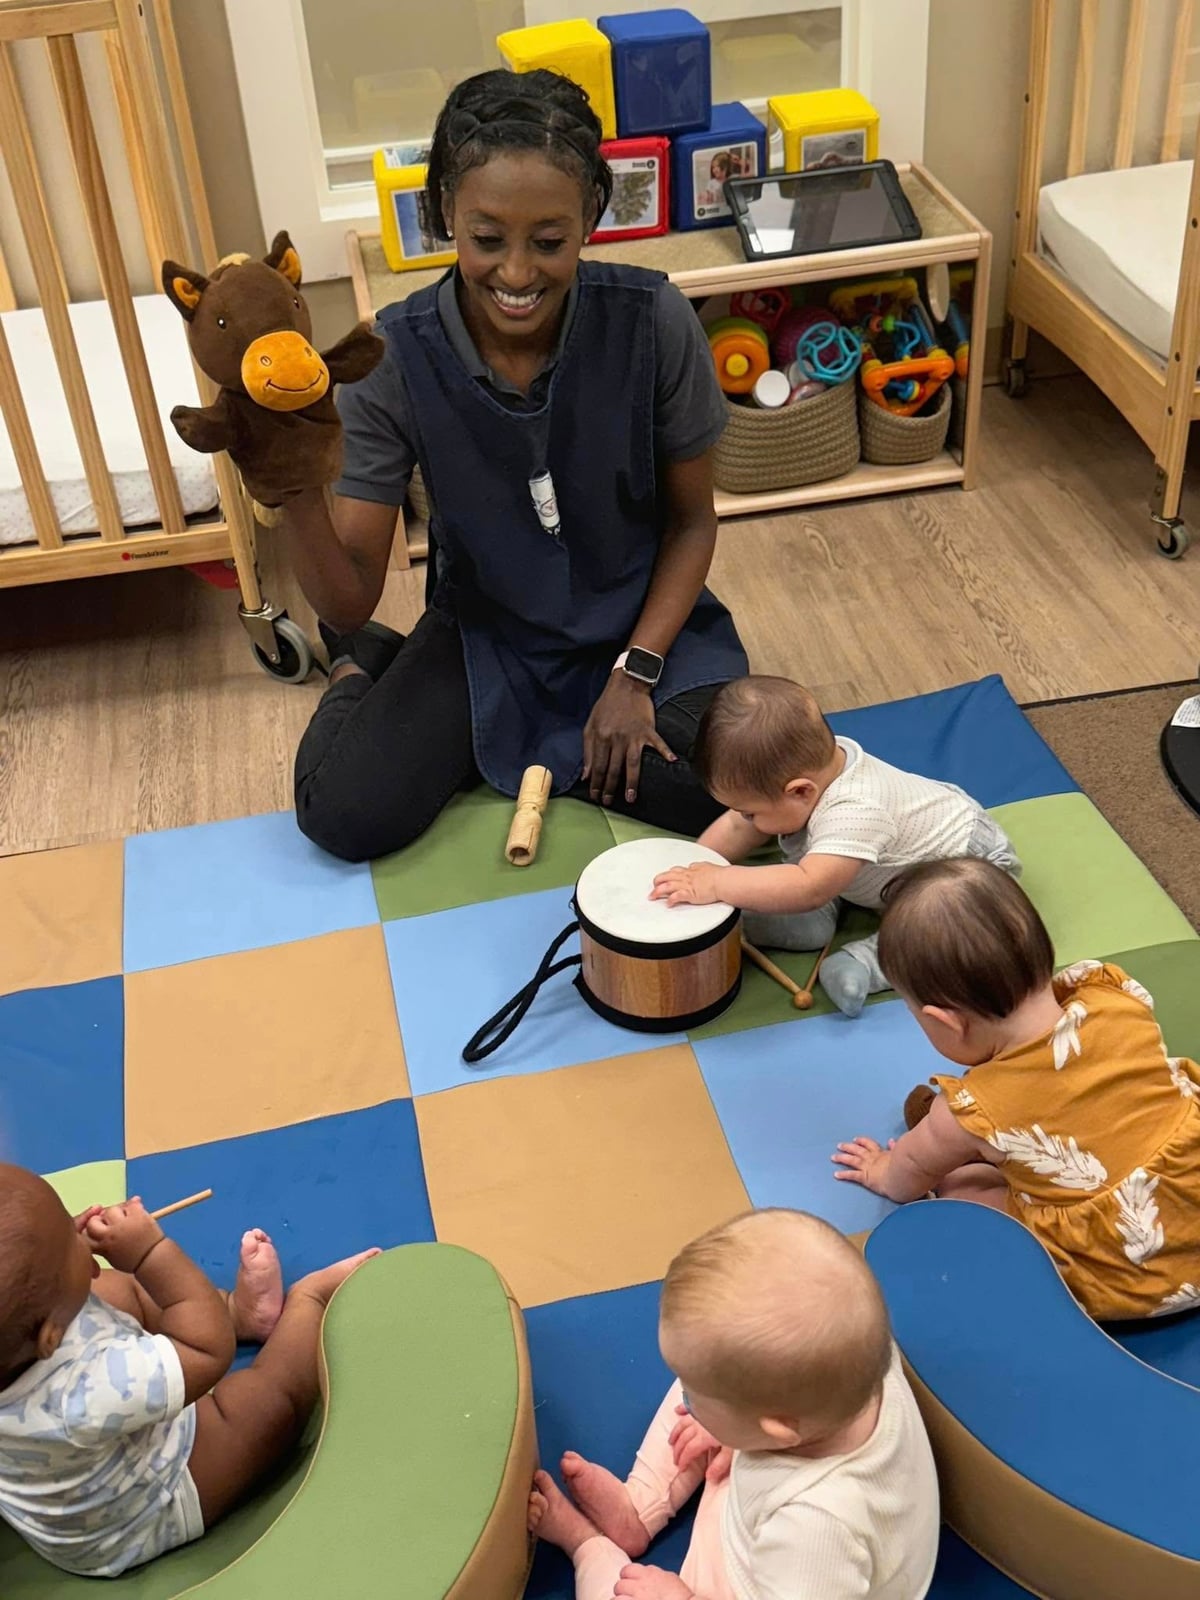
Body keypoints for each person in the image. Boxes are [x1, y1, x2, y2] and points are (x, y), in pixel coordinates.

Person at [286, 68, 747, 863]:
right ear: (445, 213)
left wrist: (634, 675)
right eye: (487, 239)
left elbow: (691, 522)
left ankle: (521, 740)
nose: (518, 273)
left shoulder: (655, 320)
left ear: (591, 214)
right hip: (485, 633)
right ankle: (363, 672)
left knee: (744, 787)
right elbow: (349, 598)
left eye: (549, 242)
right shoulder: (391, 357)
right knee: (343, 812)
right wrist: (290, 485)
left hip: (637, 622)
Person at [832, 858, 1200, 1322]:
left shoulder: (971, 1108)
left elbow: (908, 1176)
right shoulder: (1112, 996)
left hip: (1126, 1274)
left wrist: (881, 1169)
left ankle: (985, 1159)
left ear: (945, 1021)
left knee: (964, 1186)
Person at [528, 1208, 939, 1599]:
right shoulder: (852, 1357)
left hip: (765, 1579)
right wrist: (729, 1430)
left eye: (691, 1397)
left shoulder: (817, 1530)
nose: (685, 1398)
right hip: (763, 1499)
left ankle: (586, 1546)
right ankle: (637, 1505)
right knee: (714, 1365)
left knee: (717, 1385)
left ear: (774, 1430)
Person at [0, 1170, 378, 1577]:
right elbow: (207, 1352)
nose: (80, 1223)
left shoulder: (26, 1339)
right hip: (147, 1504)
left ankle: (239, 1313)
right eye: (68, 1235)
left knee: (108, 1289)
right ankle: (310, 1302)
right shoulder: (84, 1396)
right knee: (265, 1407)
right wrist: (148, 1254)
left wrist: (59, 1252)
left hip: (76, 1447)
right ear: (51, 1337)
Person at [649, 676, 1019, 1017]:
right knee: (810, 881)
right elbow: (735, 825)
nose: (745, 820)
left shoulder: (856, 810)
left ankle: (867, 962)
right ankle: (810, 918)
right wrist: (693, 865)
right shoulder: (811, 769)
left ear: (800, 792)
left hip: (970, 872)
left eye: (751, 813)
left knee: (948, 933)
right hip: (873, 871)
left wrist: (717, 882)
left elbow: (810, 886)